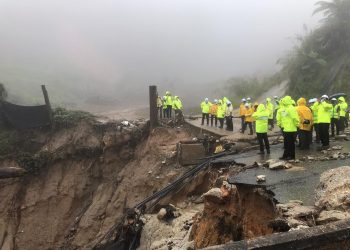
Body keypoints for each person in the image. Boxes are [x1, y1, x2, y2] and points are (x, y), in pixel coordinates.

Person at [278, 96, 299, 160]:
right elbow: (284, 117)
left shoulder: (291, 108)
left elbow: (295, 118)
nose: (283, 102)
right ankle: (286, 155)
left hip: (291, 128)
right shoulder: (285, 108)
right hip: (286, 128)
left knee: (290, 143)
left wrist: (297, 125)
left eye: (284, 101)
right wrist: (282, 125)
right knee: (286, 143)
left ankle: (292, 156)